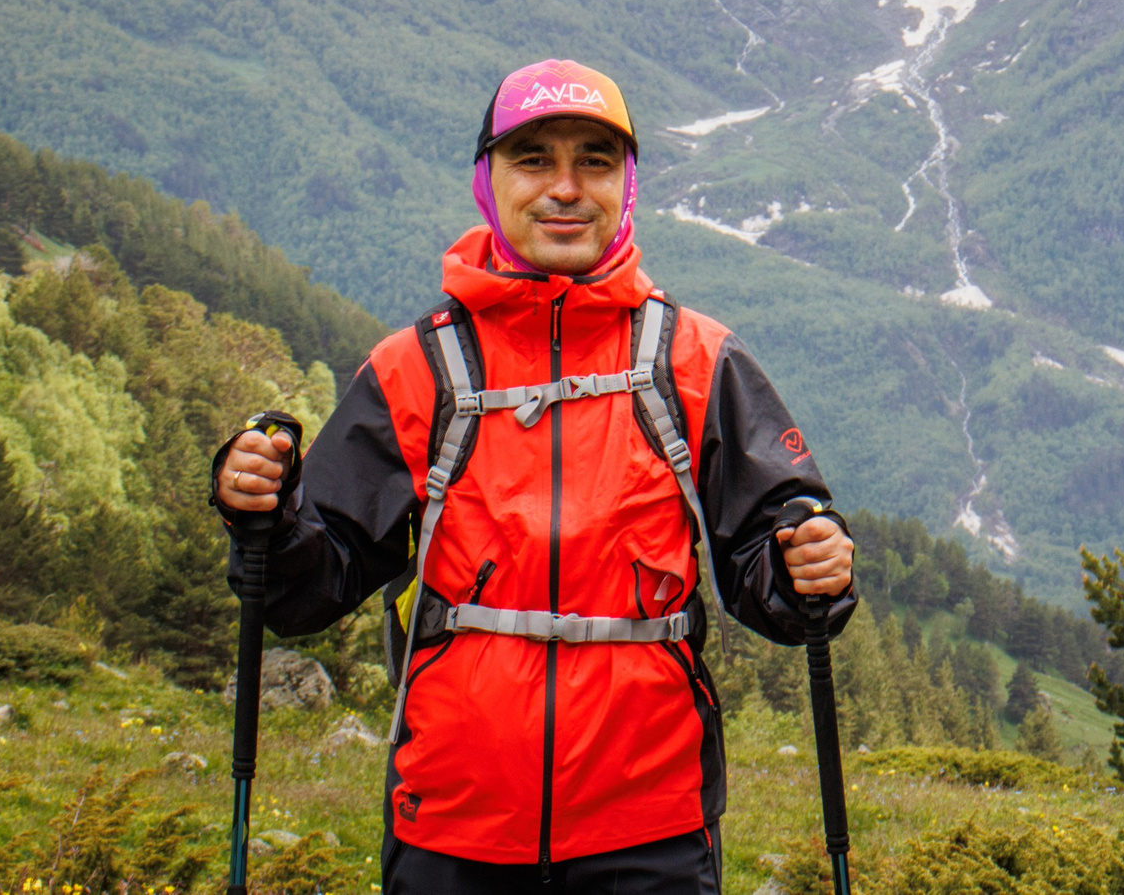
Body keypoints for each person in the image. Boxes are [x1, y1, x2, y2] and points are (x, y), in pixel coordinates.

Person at [213, 58, 855, 895]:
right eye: (533, 159)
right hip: (453, 826)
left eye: (594, 159)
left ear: (625, 184)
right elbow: (312, 582)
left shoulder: (695, 363)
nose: (565, 186)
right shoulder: (417, 371)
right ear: (488, 180)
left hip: (650, 831)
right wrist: (263, 513)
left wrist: (809, 562)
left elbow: (772, 555)